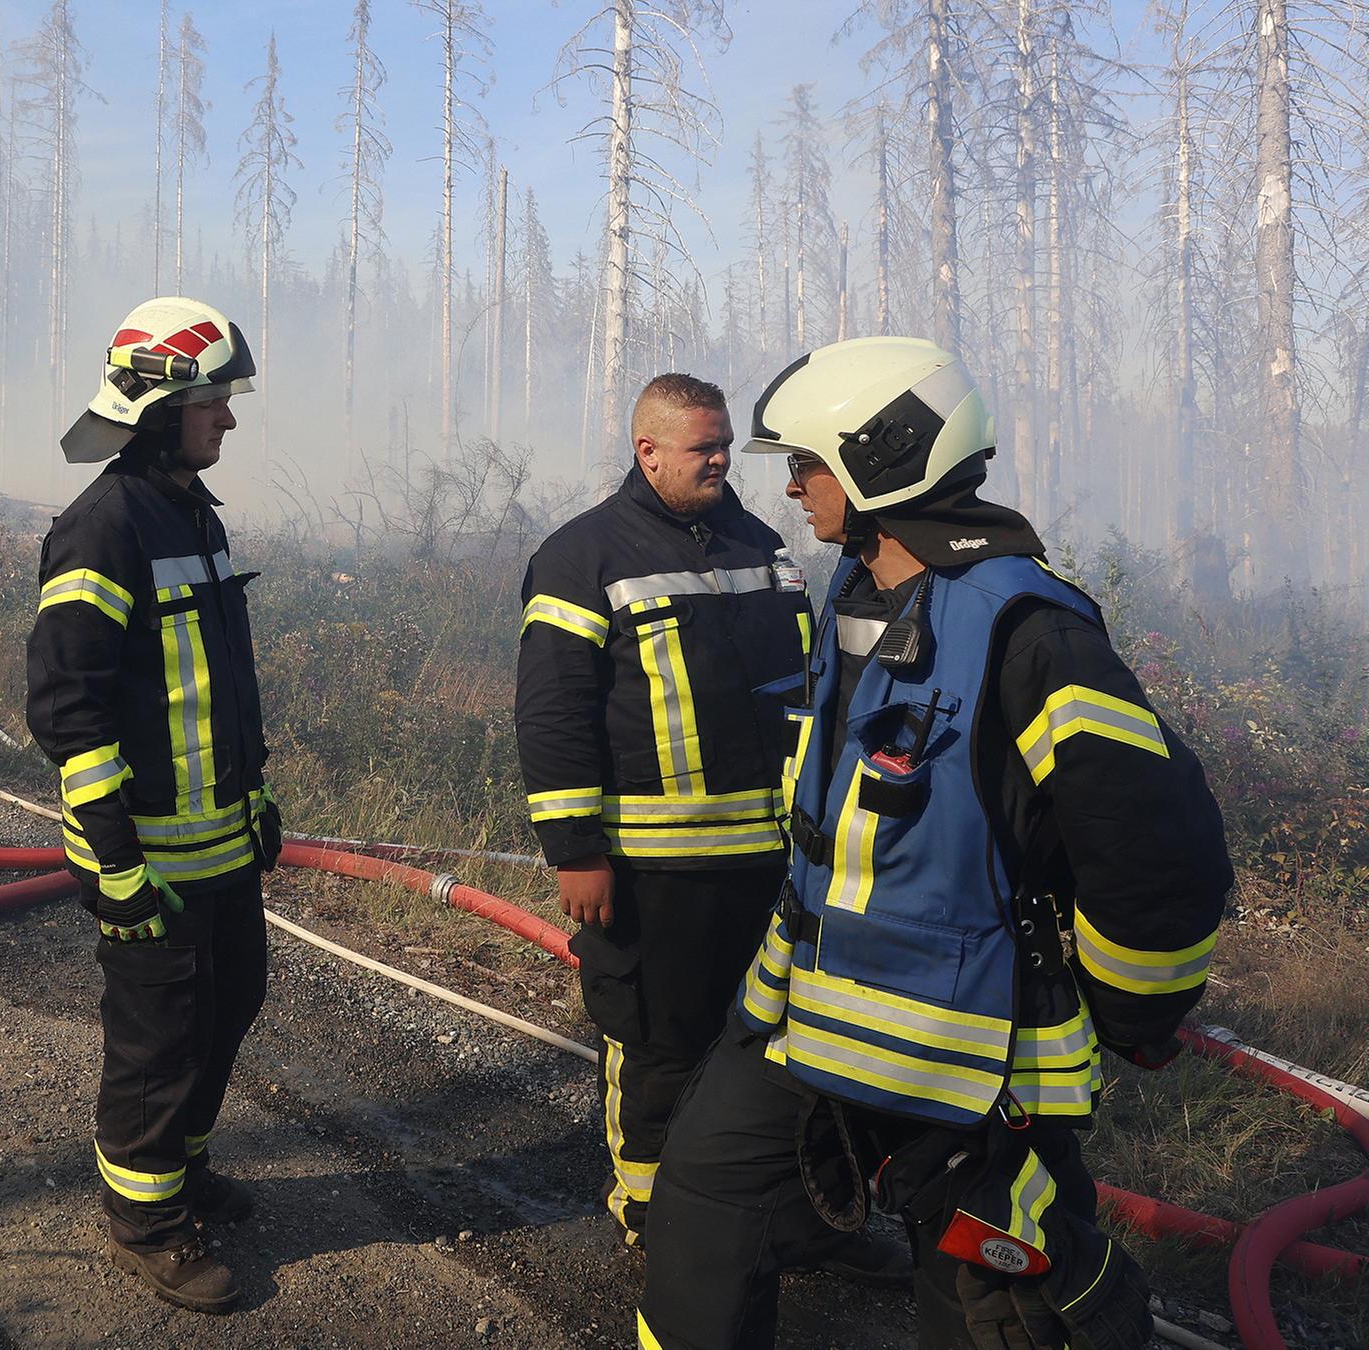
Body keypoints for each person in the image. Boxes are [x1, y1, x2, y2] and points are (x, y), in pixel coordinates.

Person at [636, 337, 1231, 1350]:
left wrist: (1137, 1011)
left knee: (991, 1307)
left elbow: (1158, 850)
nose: (790, 487)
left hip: (966, 1061)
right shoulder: (859, 589)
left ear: (883, 462)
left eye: (808, 463)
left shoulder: (1033, 634)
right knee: (702, 1204)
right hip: (806, 1014)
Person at [515, 373, 861, 1258]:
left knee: (781, 1044)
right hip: (652, 872)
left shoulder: (759, 545)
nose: (721, 461)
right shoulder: (582, 557)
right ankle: (655, 1216)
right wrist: (575, 851)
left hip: (776, 863)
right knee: (660, 1046)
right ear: (649, 452)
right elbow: (553, 714)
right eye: (703, 447)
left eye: (725, 446)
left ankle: (789, 1214)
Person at [25, 296, 281, 1316]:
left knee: (231, 1003)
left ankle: (183, 1169)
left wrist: (257, 794)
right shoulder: (104, 528)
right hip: (149, 856)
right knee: (157, 1044)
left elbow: (216, 687)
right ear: (162, 406)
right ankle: (145, 1224)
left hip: (219, 845)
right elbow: (69, 711)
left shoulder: (192, 514)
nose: (228, 418)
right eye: (214, 402)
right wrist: (114, 862)